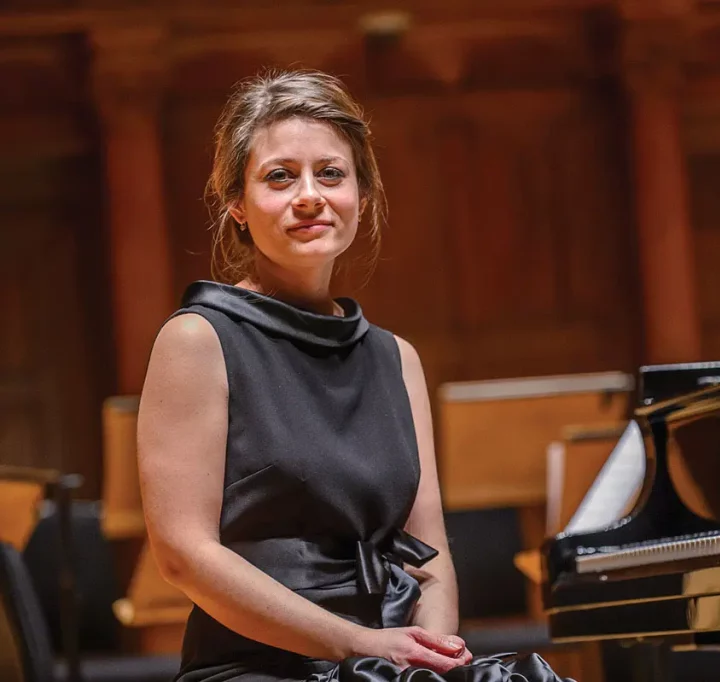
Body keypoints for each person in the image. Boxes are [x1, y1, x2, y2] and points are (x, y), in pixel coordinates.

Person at [135, 69, 575, 682]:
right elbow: (183, 555)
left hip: (386, 659)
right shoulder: (197, 339)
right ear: (236, 203)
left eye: (331, 174)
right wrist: (359, 645)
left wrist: (428, 656)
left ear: (361, 198)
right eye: (279, 177)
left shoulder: (398, 358)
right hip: (260, 665)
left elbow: (433, 555)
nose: (309, 195)